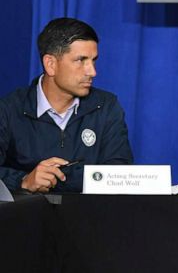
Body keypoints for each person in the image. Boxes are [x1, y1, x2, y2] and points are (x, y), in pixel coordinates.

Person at [0, 18, 133, 194]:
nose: (92, 71)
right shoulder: (9, 109)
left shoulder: (107, 106)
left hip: (89, 218)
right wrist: (23, 180)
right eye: (81, 60)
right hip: (28, 219)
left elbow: (120, 177)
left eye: (93, 60)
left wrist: (58, 179)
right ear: (51, 64)